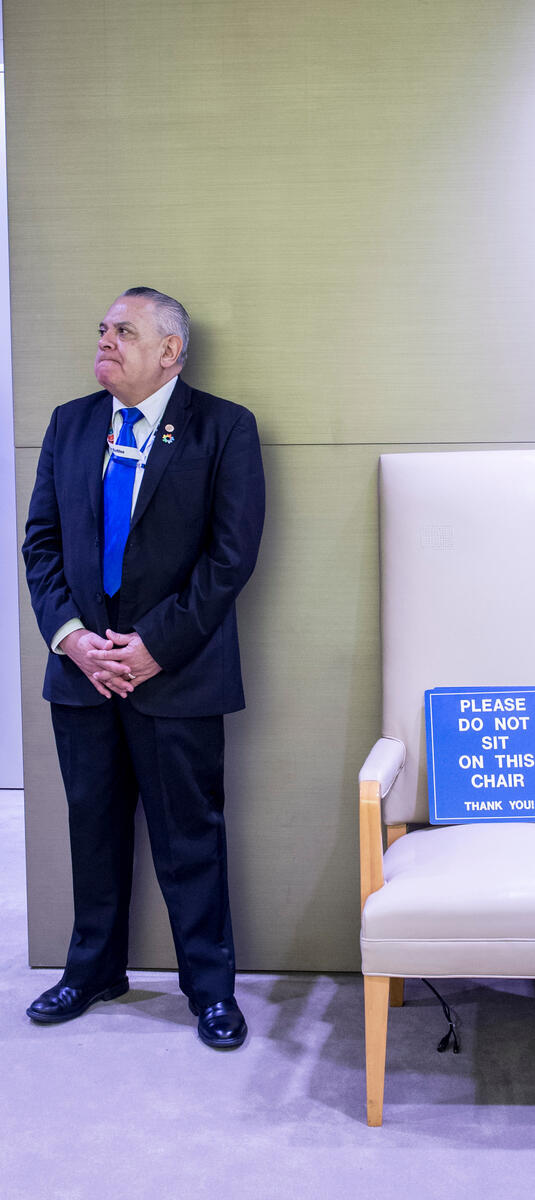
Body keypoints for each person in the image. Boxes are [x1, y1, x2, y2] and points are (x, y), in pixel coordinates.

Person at [22, 286, 265, 1049]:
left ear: (170, 351)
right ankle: (93, 970)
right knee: (92, 832)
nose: (105, 340)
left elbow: (230, 558)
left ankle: (211, 991)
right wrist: (71, 638)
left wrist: (155, 645)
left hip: (179, 675)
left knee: (191, 839)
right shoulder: (70, 424)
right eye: (103, 329)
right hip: (83, 675)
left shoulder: (223, 428)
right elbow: (40, 545)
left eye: (123, 331)